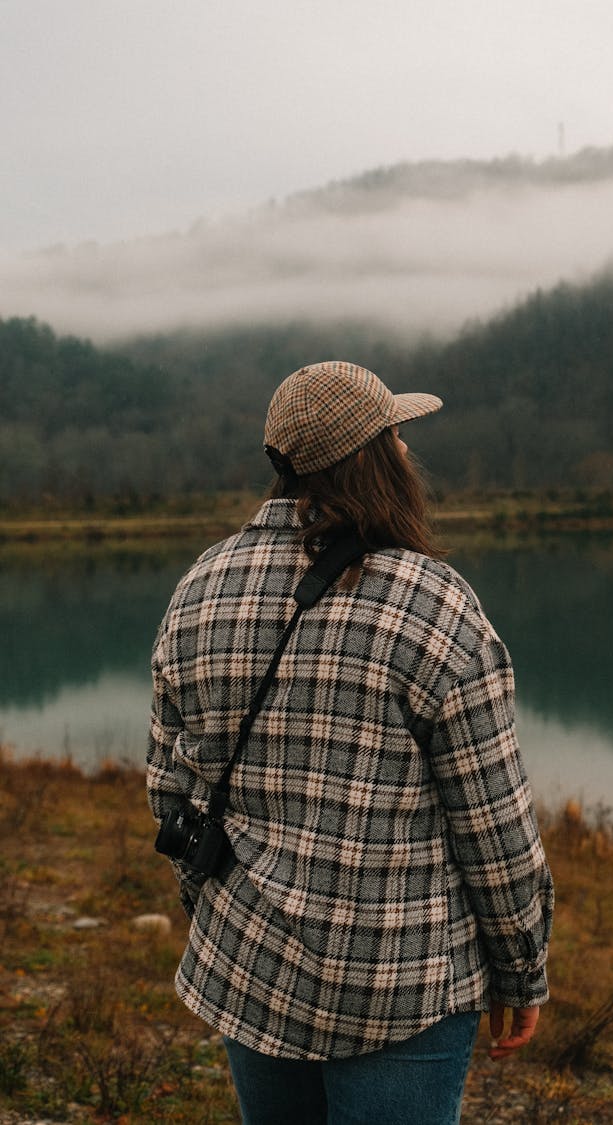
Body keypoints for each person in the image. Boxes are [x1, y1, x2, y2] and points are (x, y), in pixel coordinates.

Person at [147, 360, 554, 1125]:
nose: (406, 451)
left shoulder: (200, 587)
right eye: (397, 435)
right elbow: (494, 827)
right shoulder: (432, 601)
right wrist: (522, 969)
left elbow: (171, 791)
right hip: (401, 984)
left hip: (252, 964)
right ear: (374, 455)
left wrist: (221, 909)